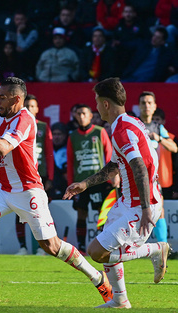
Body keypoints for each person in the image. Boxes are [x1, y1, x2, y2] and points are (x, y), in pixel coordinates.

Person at [0, 77, 113, 305]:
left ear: (16, 99)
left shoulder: (25, 119)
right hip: (2, 188)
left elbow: (4, 146)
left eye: (2, 97)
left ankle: (97, 277)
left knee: (51, 246)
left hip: (28, 191)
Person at [63, 77, 169, 309]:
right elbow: (114, 166)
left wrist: (144, 209)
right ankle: (120, 300)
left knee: (96, 252)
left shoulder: (122, 129)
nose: (96, 107)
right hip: (127, 202)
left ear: (106, 104)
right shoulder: (128, 122)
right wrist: (85, 184)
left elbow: (139, 166)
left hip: (141, 203)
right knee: (105, 246)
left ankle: (156, 249)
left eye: (97, 102)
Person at [66, 104, 116, 254]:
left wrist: (111, 176)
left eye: (84, 113)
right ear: (75, 116)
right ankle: (81, 248)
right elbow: (70, 162)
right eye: (78, 113)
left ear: (90, 116)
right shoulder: (72, 136)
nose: (81, 116)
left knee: (102, 214)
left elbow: (109, 154)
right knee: (81, 213)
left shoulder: (99, 132)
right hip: (80, 182)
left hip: (98, 181)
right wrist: (70, 183)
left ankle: (104, 247)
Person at [138, 91, 177, 246]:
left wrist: (160, 138)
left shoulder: (158, 128)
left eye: (149, 103)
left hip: (153, 180)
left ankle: (163, 248)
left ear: (154, 107)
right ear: (138, 106)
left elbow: (174, 147)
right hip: (134, 179)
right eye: (143, 103)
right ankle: (126, 249)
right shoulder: (134, 126)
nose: (146, 106)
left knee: (159, 212)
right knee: (132, 213)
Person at [17, 94, 54, 255]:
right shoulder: (17, 125)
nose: (30, 109)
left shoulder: (44, 127)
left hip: (40, 176)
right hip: (21, 175)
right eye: (27, 106)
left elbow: (49, 152)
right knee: (19, 211)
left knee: (40, 211)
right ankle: (23, 247)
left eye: (33, 106)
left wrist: (50, 177)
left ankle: (41, 247)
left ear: (38, 109)